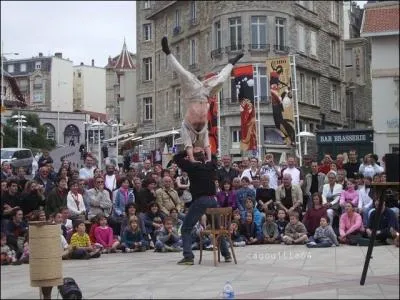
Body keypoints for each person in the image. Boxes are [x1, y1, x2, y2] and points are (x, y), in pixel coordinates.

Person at [162, 36, 243, 163]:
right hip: (205, 95)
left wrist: (192, 160)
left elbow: (188, 146)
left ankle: (168, 53)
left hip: (193, 93)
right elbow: (207, 146)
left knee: (185, 74)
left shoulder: (186, 130)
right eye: (200, 153)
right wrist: (209, 159)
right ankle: (231, 63)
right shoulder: (204, 133)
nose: (200, 150)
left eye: (197, 152)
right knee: (220, 80)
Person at [173, 147, 233, 265]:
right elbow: (214, 156)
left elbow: (176, 158)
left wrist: (190, 150)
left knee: (186, 228)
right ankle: (226, 255)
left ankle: (188, 257)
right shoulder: (210, 165)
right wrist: (205, 150)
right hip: (213, 200)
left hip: (201, 200)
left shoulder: (192, 166)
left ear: (193, 157)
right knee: (217, 228)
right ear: (204, 157)